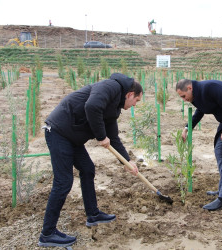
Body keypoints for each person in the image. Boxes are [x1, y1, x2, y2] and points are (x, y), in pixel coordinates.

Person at [38, 73, 143, 247]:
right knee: (63, 182)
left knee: (88, 169)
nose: (135, 105)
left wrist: (126, 161)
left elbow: (114, 137)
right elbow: (92, 106)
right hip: (58, 132)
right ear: (130, 94)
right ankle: (47, 234)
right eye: (136, 101)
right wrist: (101, 136)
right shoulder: (111, 86)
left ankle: (93, 214)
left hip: (72, 138)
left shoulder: (114, 108)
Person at [176, 79, 222, 211]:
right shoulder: (196, 96)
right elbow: (200, 111)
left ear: (189, 88)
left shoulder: (210, 88)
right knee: (218, 150)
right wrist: (187, 128)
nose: (184, 99)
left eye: (183, 96)